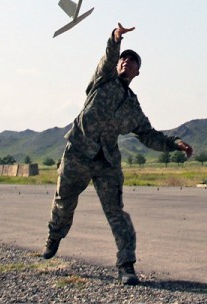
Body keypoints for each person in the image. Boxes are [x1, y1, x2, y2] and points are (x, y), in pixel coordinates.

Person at [43, 23, 193, 285]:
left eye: (132, 60)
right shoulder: (103, 79)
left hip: (106, 161)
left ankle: (126, 265)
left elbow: (149, 135)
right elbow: (109, 56)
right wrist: (116, 39)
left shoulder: (133, 107)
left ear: (138, 71)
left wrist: (175, 143)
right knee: (64, 203)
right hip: (78, 153)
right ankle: (54, 236)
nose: (126, 61)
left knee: (116, 212)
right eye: (124, 58)